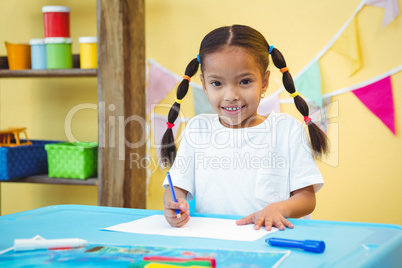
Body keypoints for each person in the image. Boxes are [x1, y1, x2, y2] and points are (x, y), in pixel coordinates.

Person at [160, 25, 329, 231]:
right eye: (216, 84)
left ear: (265, 82)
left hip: (274, 240)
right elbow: (176, 186)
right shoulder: (198, 129)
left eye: (245, 81)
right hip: (216, 241)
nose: (231, 95)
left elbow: (306, 199)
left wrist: (279, 209)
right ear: (204, 85)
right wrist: (174, 205)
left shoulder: (287, 130)